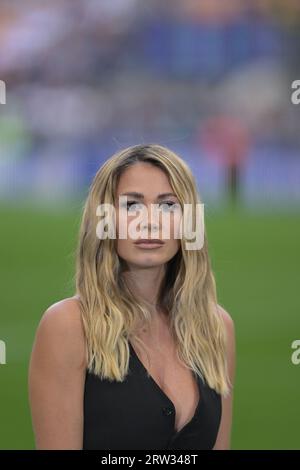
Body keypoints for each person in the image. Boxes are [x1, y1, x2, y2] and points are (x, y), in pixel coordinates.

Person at [28, 143, 236, 450]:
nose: (150, 221)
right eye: (132, 206)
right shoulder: (68, 326)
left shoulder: (216, 327)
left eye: (168, 206)